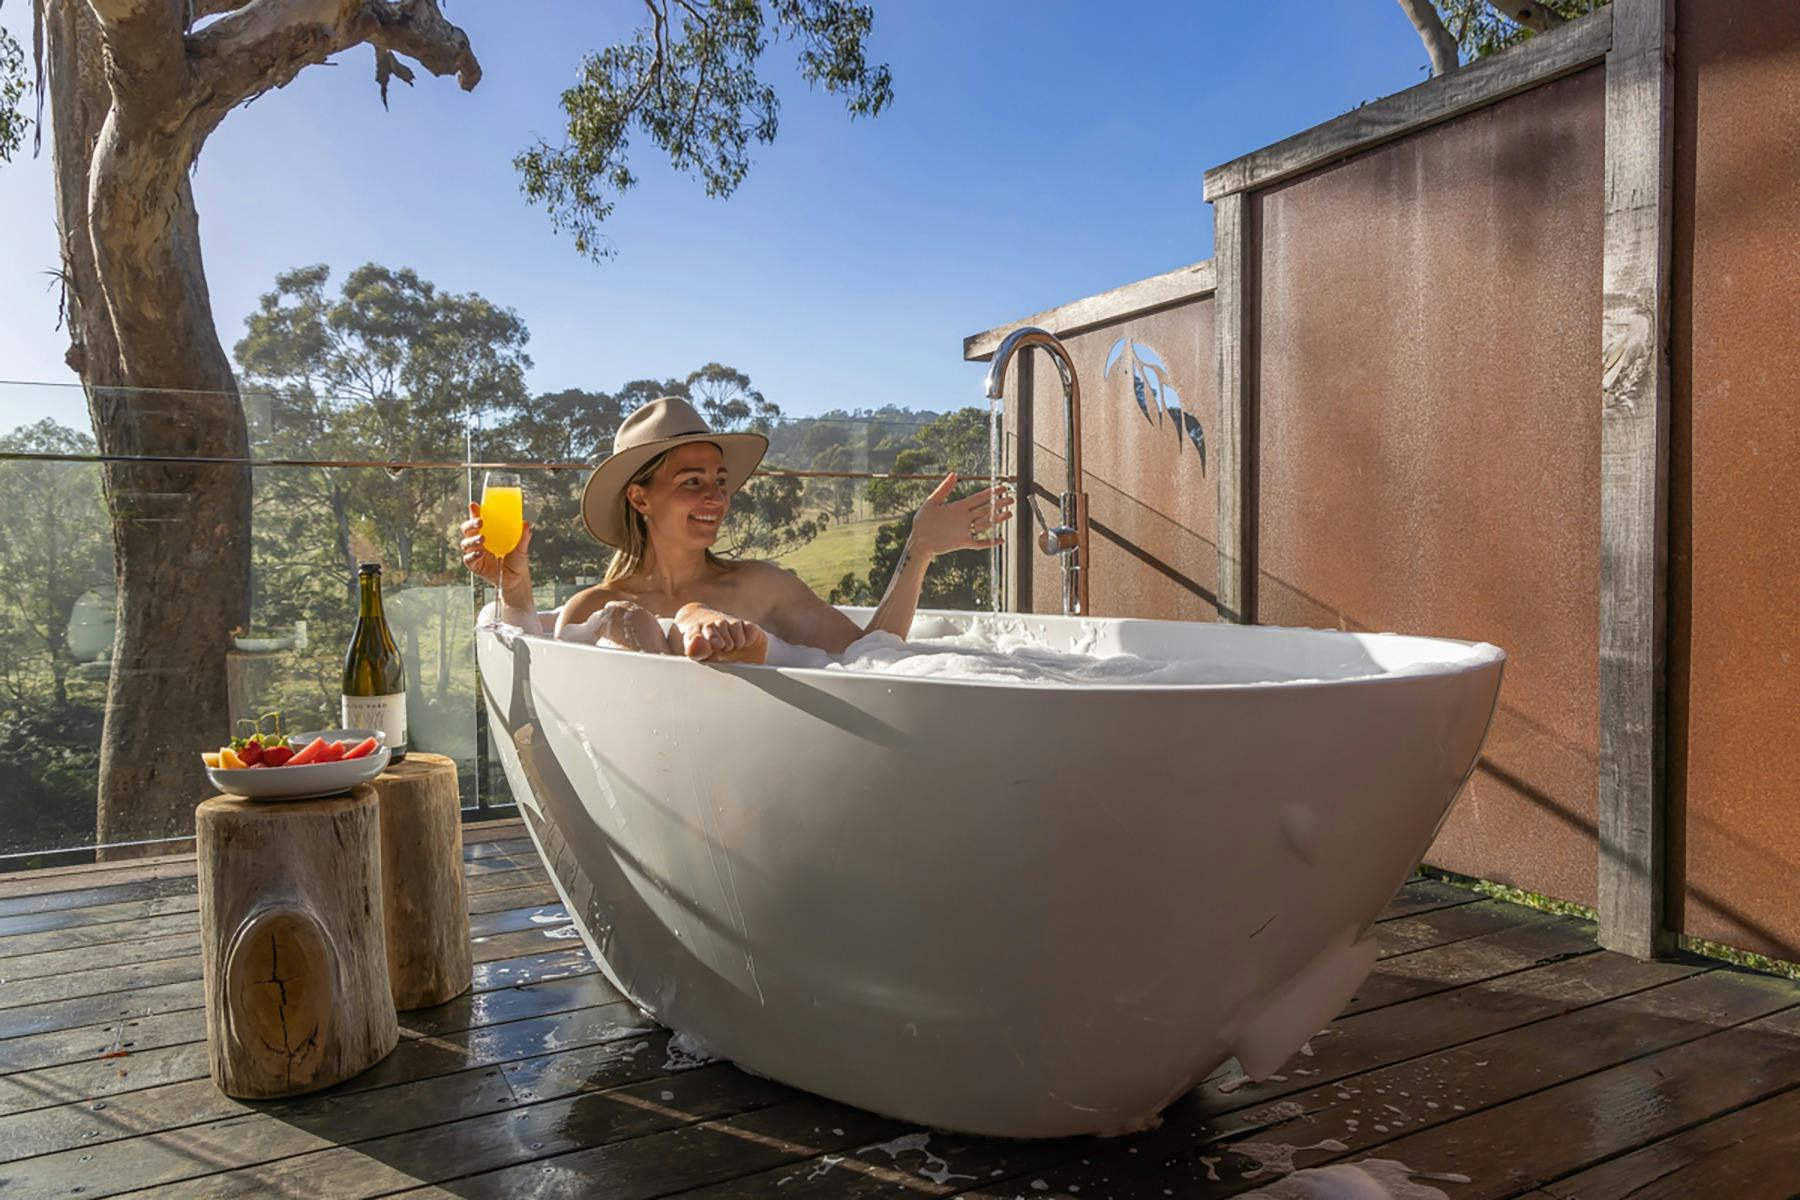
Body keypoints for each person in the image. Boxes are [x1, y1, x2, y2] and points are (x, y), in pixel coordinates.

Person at [460, 396, 1011, 663]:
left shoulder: (761, 586)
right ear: (639, 497)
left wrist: (919, 549)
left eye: (720, 481)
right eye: (691, 481)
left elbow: (870, 654)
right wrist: (513, 583)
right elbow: (532, 660)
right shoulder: (593, 606)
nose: (715, 497)